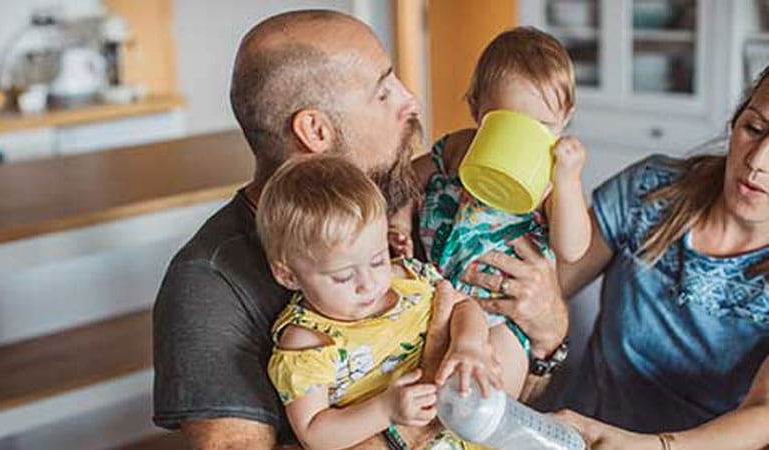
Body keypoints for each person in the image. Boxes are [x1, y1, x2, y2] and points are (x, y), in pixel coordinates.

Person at [153, 10, 568, 449]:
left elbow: (498, 401)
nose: (412, 101)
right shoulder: (209, 283)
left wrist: (545, 338)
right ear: (315, 129)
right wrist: (414, 411)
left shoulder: (413, 210)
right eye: (384, 92)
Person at [549, 65, 769, 449]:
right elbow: (550, 286)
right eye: (754, 128)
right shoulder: (649, 191)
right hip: (575, 434)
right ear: (736, 122)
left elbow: (764, 412)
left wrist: (654, 447)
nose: (758, 161)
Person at [258, 155, 519, 449]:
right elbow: (315, 433)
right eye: (343, 277)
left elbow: (462, 306)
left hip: (469, 431)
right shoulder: (308, 341)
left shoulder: (407, 277)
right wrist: (384, 410)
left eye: (378, 259)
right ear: (288, 275)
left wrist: (468, 345)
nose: (368, 284)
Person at [390, 26, 590, 396]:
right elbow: (405, 182)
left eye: (541, 126)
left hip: (502, 312)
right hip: (437, 296)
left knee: (489, 393)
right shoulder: (456, 149)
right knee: (416, 382)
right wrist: (400, 217)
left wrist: (568, 181)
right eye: (504, 122)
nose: (522, 138)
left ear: (566, 117)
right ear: (475, 108)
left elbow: (572, 248)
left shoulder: (551, 174)